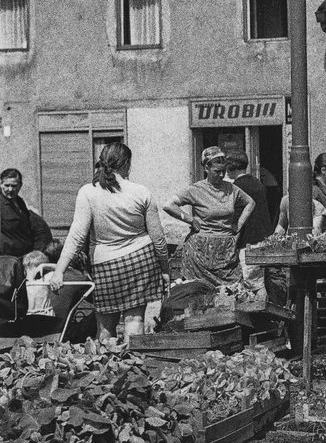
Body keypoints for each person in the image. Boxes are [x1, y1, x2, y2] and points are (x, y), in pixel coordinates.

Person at [50, 143, 170, 339]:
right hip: (141, 261)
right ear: (127, 164)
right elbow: (158, 238)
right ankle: (133, 356)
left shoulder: (88, 192)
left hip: (105, 264)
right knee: (135, 320)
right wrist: (165, 269)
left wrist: (59, 271)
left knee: (105, 326)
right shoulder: (141, 192)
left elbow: (77, 236)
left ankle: (107, 357)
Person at [164, 146, 255, 288]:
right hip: (200, 253)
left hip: (226, 253)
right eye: (217, 171)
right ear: (207, 168)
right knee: (199, 293)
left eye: (223, 171)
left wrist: (238, 224)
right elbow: (168, 205)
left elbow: (250, 202)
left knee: (232, 292)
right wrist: (190, 219)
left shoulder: (231, 189)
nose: (221, 175)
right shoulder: (196, 189)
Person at [227, 151, 273, 299]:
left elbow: (237, 219)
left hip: (248, 242)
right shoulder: (258, 183)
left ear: (231, 167)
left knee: (252, 283)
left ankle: (260, 310)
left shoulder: (236, 188)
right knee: (260, 281)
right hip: (262, 239)